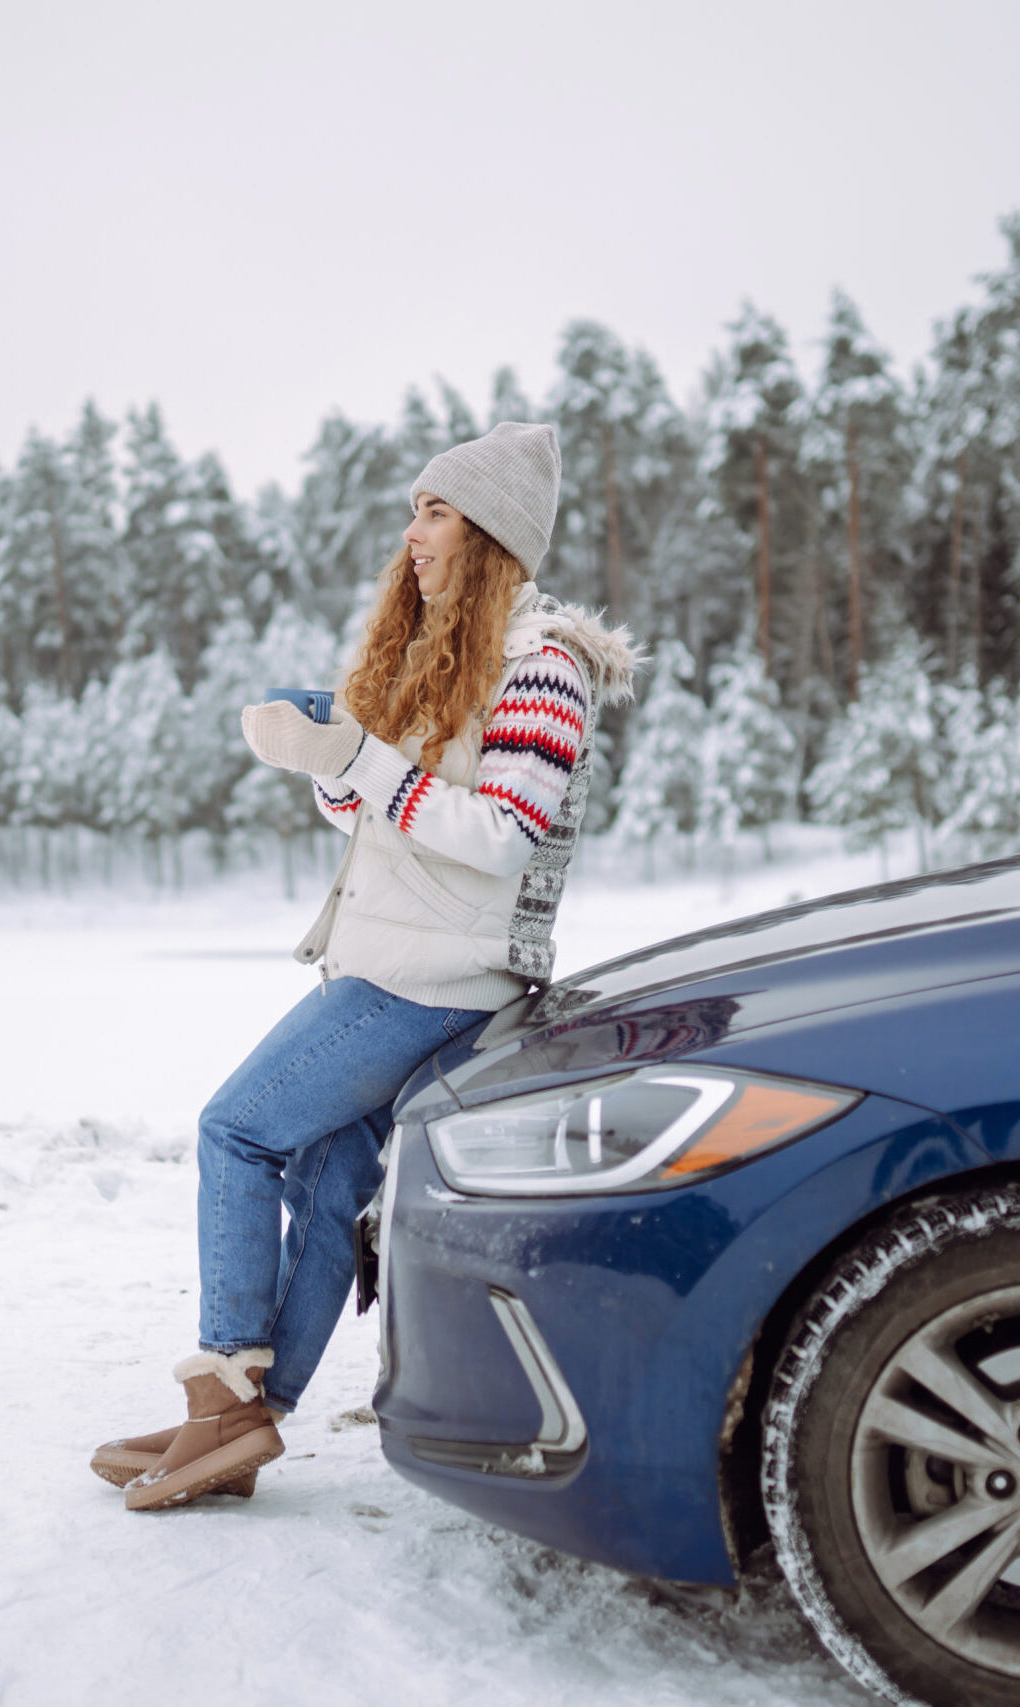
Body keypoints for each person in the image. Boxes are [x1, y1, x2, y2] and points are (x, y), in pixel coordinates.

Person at [89, 420, 640, 1512]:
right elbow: (377, 813)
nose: (412, 532)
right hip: (390, 963)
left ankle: (225, 1397)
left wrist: (357, 761)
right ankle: (245, 1421)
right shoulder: (456, 657)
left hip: (433, 978)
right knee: (329, 1180)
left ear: (487, 532)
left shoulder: (542, 667)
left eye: (433, 511)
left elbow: (497, 835)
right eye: (414, 510)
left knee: (235, 1130)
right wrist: (324, 750)